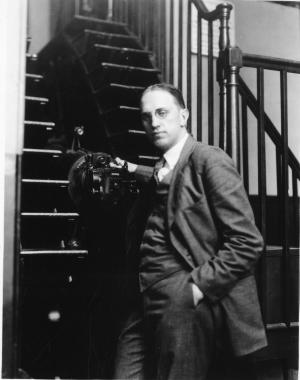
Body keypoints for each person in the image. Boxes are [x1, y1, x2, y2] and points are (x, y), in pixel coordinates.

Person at [109, 83, 267, 380]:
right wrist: (129, 168)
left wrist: (195, 289)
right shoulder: (162, 167)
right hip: (142, 295)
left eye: (162, 113)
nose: (154, 122)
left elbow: (247, 242)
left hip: (181, 295)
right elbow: (162, 176)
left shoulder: (209, 159)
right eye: (146, 117)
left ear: (183, 116)